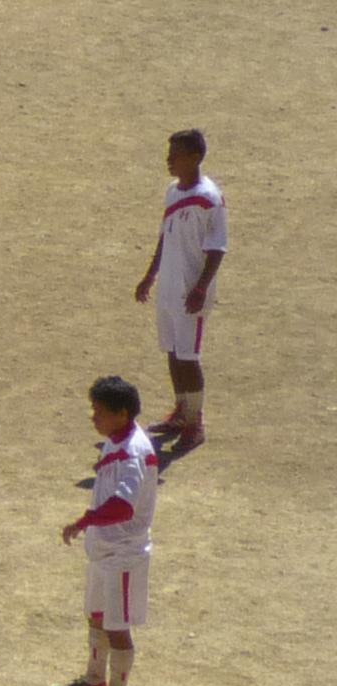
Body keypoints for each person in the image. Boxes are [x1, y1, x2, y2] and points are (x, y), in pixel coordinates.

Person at [60, 373, 163, 686]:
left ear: (122, 413)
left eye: (99, 411)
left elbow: (124, 507)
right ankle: (94, 684)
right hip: (104, 552)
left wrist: (85, 520)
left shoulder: (134, 453)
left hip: (123, 555)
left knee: (117, 628)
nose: (94, 417)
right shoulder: (116, 440)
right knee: (97, 615)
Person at [134, 129, 226, 460]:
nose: (169, 159)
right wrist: (149, 276)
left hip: (190, 291)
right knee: (173, 352)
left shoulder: (209, 199)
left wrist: (201, 287)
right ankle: (181, 411)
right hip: (169, 288)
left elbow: (217, 248)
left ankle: (196, 423)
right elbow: (165, 235)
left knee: (189, 356)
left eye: (176, 153)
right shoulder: (173, 192)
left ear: (195, 157)